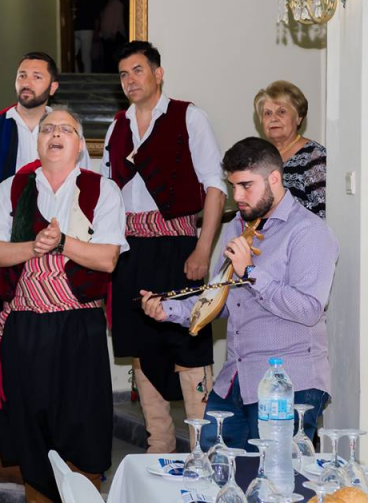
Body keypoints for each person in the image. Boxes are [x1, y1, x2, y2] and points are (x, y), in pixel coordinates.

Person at [141, 137, 338, 450]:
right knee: (213, 468)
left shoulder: (309, 231)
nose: (237, 196)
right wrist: (170, 310)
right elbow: (223, 299)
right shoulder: (237, 226)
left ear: (274, 179)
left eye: (246, 186)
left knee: (274, 477)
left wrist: (250, 272)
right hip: (234, 379)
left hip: (289, 387)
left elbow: (309, 310)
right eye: (233, 186)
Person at [0, 107, 128, 502]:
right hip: (24, 326)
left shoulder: (102, 190)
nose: (55, 134)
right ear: (38, 140)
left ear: (80, 145)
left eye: (66, 129)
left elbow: (107, 259)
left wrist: (62, 243)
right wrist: (34, 246)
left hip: (79, 327)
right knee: (30, 426)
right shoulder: (11, 188)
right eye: (47, 129)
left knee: (82, 423)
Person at [102, 40, 227, 453]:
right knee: (141, 344)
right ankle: (160, 446)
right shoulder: (117, 127)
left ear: (158, 74)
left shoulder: (189, 116)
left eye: (138, 70)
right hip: (129, 250)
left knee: (189, 342)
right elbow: (107, 196)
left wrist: (203, 250)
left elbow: (214, 186)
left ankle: (204, 449)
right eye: (123, 74)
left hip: (179, 246)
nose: (130, 80)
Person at [0, 52, 91, 192]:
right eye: (22, 76)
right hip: (3, 206)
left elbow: (84, 183)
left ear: (52, 87)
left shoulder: (70, 131)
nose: (26, 83)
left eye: (36, 77)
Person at [254, 80, 326, 218]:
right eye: (267, 113)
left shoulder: (315, 156)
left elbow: (325, 213)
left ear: (299, 117)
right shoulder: (258, 159)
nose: (273, 119)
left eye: (281, 112)